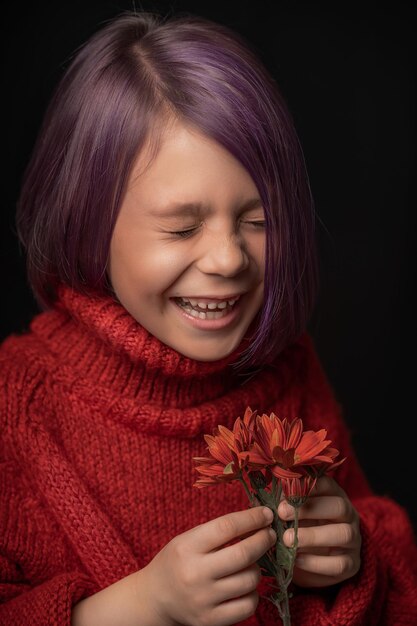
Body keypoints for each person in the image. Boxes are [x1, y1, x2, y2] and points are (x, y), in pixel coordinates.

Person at [0, 9, 416, 626]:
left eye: (258, 221)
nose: (228, 259)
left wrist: (352, 555)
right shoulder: (16, 403)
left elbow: (390, 574)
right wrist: (138, 607)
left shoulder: (288, 368)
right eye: (182, 226)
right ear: (87, 220)